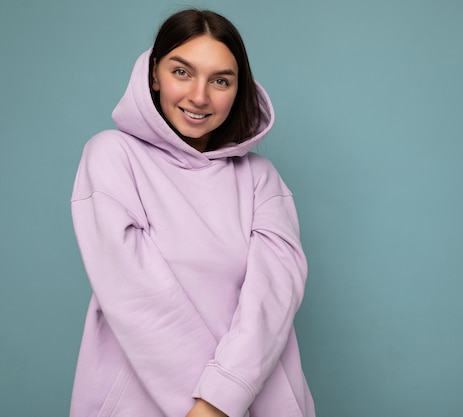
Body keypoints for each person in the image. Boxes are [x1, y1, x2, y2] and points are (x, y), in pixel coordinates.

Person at [69, 9, 315, 417]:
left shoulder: (261, 179)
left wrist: (221, 398)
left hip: (257, 402)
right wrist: (208, 405)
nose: (199, 97)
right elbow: (134, 291)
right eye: (182, 72)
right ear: (153, 75)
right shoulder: (112, 155)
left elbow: (273, 300)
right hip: (139, 404)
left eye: (220, 80)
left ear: (237, 90)